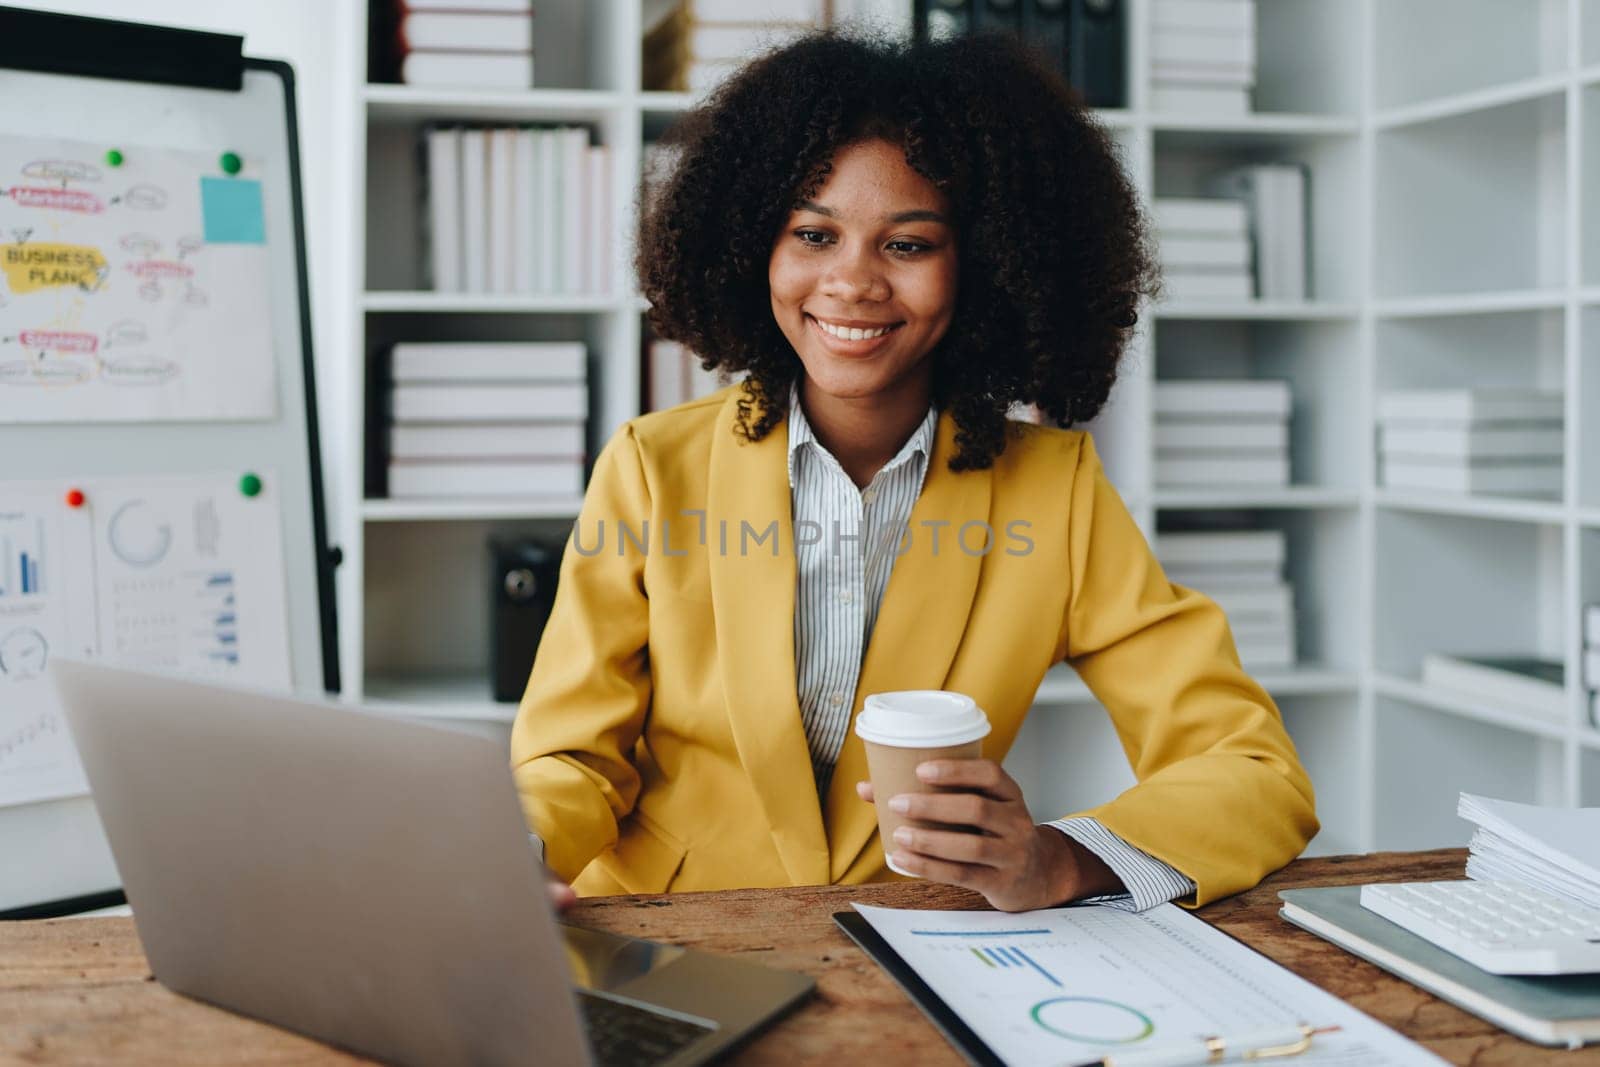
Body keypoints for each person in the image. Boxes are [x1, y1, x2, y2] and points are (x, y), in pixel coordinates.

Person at [511, 30, 1316, 914]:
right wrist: (517, 848)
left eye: (908, 244)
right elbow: (571, 757)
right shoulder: (651, 468)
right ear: (753, 249)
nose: (851, 283)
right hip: (672, 934)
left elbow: (1252, 769)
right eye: (814, 233)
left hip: (914, 947)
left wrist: (1063, 857)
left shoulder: (1056, 493)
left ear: (987, 265)